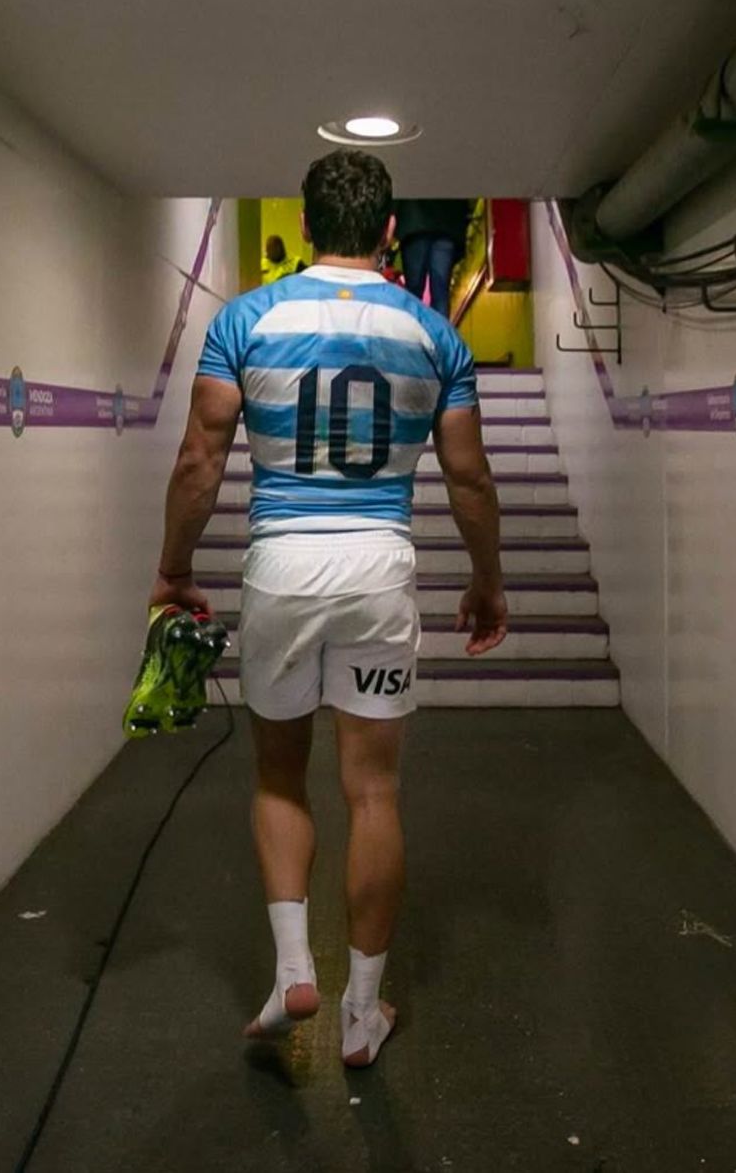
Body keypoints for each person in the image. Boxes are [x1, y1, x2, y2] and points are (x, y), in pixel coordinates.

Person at [149, 149, 507, 1068]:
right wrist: (486, 580)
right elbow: (468, 477)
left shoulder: (245, 320)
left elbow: (200, 459)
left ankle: (293, 970)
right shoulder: (436, 335)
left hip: (281, 565)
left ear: (304, 226)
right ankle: (363, 1011)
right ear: (391, 233)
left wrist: (172, 568)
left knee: (278, 776)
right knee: (374, 790)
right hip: (378, 566)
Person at [394, 198, 474, 318]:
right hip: (448, 219)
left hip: (414, 218)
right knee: (440, 292)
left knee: (414, 291)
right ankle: (439, 335)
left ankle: (412, 333)